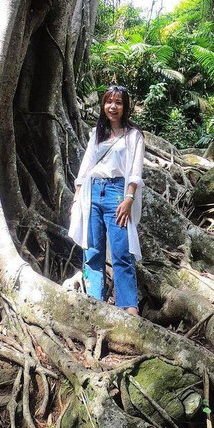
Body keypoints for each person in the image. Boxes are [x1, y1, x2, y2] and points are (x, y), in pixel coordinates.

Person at [68, 85, 145, 315]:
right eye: (109, 102)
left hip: (117, 194)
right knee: (93, 251)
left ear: (125, 106)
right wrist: (77, 199)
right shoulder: (96, 134)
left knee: (122, 251)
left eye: (119, 102)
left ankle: (128, 306)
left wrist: (129, 198)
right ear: (103, 105)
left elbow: (135, 171)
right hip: (93, 193)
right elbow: (85, 168)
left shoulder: (134, 136)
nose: (113, 107)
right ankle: (95, 303)